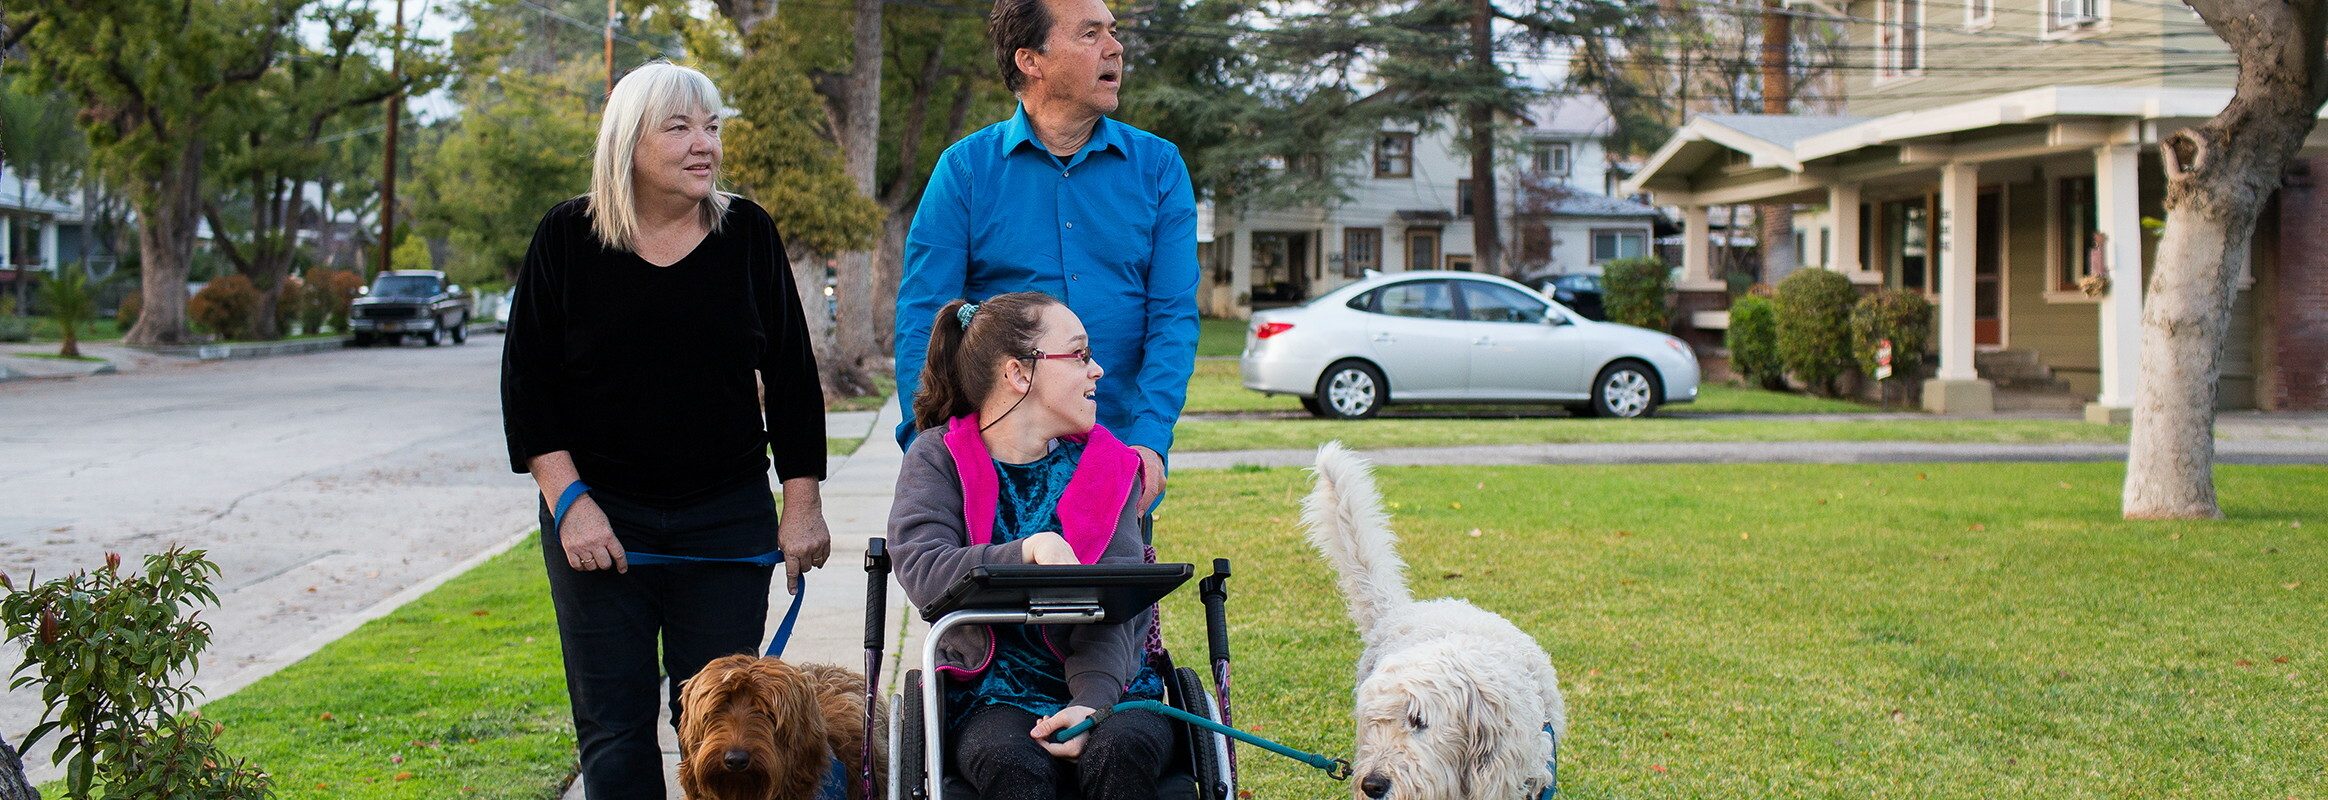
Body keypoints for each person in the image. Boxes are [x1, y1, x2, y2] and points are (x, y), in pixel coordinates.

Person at [499, 61, 833, 798]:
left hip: (724, 516)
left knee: (728, 729)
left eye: (711, 127)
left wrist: (802, 499)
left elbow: (790, 376)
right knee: (613, 725)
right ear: (627, 142)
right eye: (679, 127)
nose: (703, 144)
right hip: (599, 518)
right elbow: (528, 390)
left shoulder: (746, 232)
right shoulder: (567, 235)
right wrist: (570, 504)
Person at [894, 0, 1199, 522]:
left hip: (1116, 458)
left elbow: (1172, 318)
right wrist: (930, 450)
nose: (1115, 47)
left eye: (1113, 31)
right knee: (992, 603)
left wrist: (1149, 442)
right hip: (994, 469)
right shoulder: (965, 170)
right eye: (1089, 34)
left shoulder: (1160, 168)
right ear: (1030, 60)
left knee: (1115, 604)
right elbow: (924, 319)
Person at [888, 291, 1173, 800]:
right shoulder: (938, 458)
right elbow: (925, 572)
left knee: (1119, 748)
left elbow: (1119, 612)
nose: (1098, 370)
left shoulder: (1112, 470)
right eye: (1080, 354)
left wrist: (1092, 704)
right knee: (1009, 762)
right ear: (1019, 374)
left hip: (1112, 683)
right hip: (990, 694)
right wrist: (1027, 550)